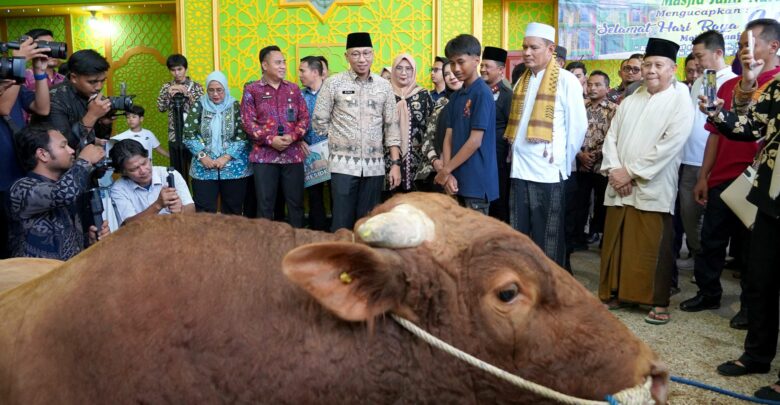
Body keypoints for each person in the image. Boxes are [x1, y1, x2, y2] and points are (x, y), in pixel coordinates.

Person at [685, 22, 780, 329]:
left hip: (759, 180)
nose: (743, 52)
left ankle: (751, 308)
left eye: (748, 45)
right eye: (740, 46)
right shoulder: (730, 86)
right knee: (711, 239)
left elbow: (756, 130)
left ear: (773, 46)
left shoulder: (775, 84)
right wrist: (704, 175)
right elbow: (717, 133)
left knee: (753, 251)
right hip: (723, 174)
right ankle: (708, 292)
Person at [704, 21, 780, 399]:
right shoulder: (776, 86)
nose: (745, 52)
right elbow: (748, 128)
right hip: (771, 195)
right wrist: (718, 112)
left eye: (750, 44)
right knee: (760, 279)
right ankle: (757, 355)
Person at [598, 38, 694, 325]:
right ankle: (616, 293)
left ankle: (657, 302)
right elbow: (611, 137)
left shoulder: (680, 102)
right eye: (648, 64)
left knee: (652, 246)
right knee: (617, 241)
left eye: (658, 65)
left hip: (652, 185)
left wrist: (630, 173)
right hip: (619, 184)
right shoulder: (631, 99)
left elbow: (669, 146)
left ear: (672, 69)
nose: (651, 70)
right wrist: (615, 170)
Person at [503, 22, 587, 268]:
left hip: (548, 172)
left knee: (547, 236)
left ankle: (549, 285)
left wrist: (561, 160)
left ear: (551, 49)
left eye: (534, 47)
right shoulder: (522, 81)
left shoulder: (566, 80)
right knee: (520, 234)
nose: (527, 52)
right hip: (520, 170)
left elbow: (577, 127)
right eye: (524, 47)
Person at [312, 32, 401, 231]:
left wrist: (395, 164)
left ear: (373, 54)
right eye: (356, 54)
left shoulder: (384, 86)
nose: (362, 59)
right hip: (342, 166)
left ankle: (363, 253)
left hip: (374, 167)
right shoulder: (333, 83)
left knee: (369, 224)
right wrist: (340, 139)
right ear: (347, 56)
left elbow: (392, 126)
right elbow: (318, 121)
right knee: (341, 223)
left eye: (366, 53)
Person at [676, 30, 737, 274]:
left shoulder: (733, 82)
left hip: (713, 160)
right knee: (689, 214)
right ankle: (698, 257)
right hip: (689, 157)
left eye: (700, 56)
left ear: (718, 53)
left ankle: (708, 268)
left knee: (712, 221)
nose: (696, 62)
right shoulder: (701, 80)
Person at [8, 124, 108, 260]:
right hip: (36, 273)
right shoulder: (21, 189)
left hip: (66, 271)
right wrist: (85, 160)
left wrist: (88, 241)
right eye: (63, 146)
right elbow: (63, 193)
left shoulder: (67, 184)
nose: (71, 150)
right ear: (43, 154)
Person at [241, 46, 309, 227]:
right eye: (278, 62)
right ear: (265, 65)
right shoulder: (252, 90)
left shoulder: (293, 89)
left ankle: (296, 242)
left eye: (284, 62)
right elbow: (248, 122)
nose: (283, 66)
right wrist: (271, 140)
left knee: (296, 204)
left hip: (293, 156)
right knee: (265, 206)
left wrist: (292, 136)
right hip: (264, 158)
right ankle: (266, 243)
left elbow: (304, 118)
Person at [433, 34, 498, 215]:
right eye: (452, 63)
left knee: (475, 232)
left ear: (476, 60)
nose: (456, 68)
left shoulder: (482, 93)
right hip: (455, 181)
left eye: (461, 62)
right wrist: (448, 174)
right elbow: (448, 137)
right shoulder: (456, 96)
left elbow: (475, 141)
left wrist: (446, 170)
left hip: (476, 182)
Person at [184, 71, 251, 215]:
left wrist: (226, 157)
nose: (215, 94)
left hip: (233, 168)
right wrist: (203, 156)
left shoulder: (235, 106)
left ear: (225, 89)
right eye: (211, 90)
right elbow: (188, 134)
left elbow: (242, 136)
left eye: (219, 90)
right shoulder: (199, 105)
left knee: (233, 210)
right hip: (203, 168)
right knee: (204, 210)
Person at [574, 70, 617, 247]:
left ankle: (601, 236)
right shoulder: (579, 106)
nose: (592, 88)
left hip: (603, 164)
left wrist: (595, 155)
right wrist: (580, 154)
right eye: (589, 84)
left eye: (598, 85)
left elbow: (615, 136)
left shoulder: (614, 110)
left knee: (602, 203)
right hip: (580, 162)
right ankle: (578, 238)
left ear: (607, 88)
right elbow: (571, 132)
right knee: (579, 202)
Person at [109, 139, 194, 225]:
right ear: (123, 172)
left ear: (148, 158)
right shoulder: (118, 189)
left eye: (144, 163)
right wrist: (158, 205)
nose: (143, 171)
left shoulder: (170, 174)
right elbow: (129, 225)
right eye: (134, 169)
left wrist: (181, 210)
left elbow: (191, 209)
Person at [47, 49, 112, 151]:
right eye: (92, 82)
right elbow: (64, 146)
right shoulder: (54, 98)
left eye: (102, 81)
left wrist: (104, 123)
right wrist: (92, 116)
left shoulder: (93, 96)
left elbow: (98, 139)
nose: (99, 87)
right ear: (74, 78)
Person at [157, 54, 205, 185]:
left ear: (185, 69)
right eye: (173, 70)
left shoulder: (196, 87)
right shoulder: (166, 87)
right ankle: (180, 196)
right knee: (177, 173)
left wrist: (187, 94)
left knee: (197, 170)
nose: (177, 73)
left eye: (179, 69)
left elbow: (202, 110)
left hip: (194, 135)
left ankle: (197, 197)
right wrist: (168, 94)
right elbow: (161, 108)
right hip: (175, 136)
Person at [390, 53, 434, 192]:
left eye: (408, 68)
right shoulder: (385, 94)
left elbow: (431, 129)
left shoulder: (423, 95)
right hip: (389, 159)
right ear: (393, 70)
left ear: (414, 71)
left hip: (417, 161)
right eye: (399, 68)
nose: (404, 73)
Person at [480, 46, 512, 222]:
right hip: (477, 157)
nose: (483, 69)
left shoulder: (507, 95)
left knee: (498, 205)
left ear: (500, 70)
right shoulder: (478, 91)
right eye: (482, 65)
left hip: (498, 161)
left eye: (487, 66)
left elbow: (511, 128)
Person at [421, 60, 463, 189]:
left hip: (464, 170)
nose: (451, 77)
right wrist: (435, 161)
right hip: (438, 170)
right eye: (446, 74)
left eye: (454, 72)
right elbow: (427, 138)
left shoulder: (472, 101)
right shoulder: (441, 103)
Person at [299, 55, 330, 231]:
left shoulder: (332, 93)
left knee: (337, 193)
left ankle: (337, 231)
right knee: (314, 194)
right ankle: (317, 230)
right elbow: (291, 122)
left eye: (302, 71)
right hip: (308, 152)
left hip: (332, 151)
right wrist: (298, 140)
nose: (299, 75)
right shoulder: (299, 95)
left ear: (315, 73)